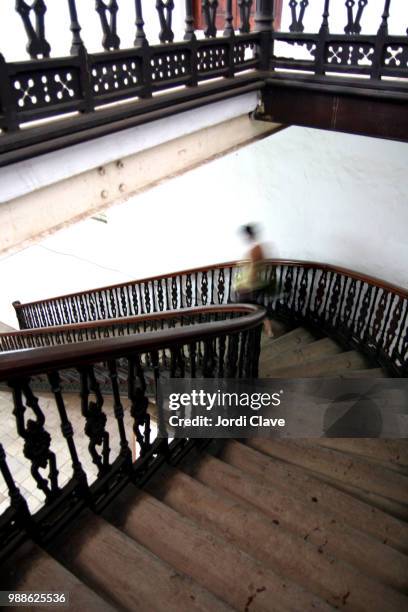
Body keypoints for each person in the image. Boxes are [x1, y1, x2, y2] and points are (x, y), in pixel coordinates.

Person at [234, 224, 275, 338]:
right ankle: (268, 329)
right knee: (257, 307)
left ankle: (249, 330)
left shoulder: (255, 249)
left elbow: (253, 269)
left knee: (248, 307)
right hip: (256, 283)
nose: (244, 238)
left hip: (252, 285)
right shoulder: (259, 247)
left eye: (245, 236)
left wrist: (245, 285)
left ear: (248, 235)